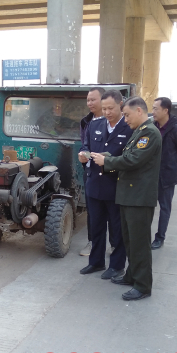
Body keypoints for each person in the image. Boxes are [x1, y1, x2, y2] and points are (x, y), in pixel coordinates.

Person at [91, 96, 161, 301]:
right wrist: (104, 157)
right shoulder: (139, 131)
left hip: (139, 198)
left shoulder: (149, 133)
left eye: (128, 115)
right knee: (130, 241)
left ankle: (143, 285)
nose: (126, 119)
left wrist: (107, 161)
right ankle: (132, 275)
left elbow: (132, 160)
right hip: (129, 196)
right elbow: (126, 155)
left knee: (140, 243)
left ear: (139, 111)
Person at [79, 90, 132, 280]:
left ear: (120, 105)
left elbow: (130, 158)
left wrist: (108, 162)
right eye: (104, 109)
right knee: (96, 226)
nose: (107, 112)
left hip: (117, 186)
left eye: (111, 108)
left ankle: (117, 266)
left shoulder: (129, 127)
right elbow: (86, 146)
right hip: (95, 184)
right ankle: (96, 261)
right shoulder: (95, 124)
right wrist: (83, 154)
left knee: (117, 229)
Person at [150, 97, 177, 249]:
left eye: (155, 109)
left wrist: (173, 167)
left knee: (164, 207)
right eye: (152, 108)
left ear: (165, 110)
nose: (153, 112)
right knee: (148, 206)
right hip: (151, 175)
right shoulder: (152, 127)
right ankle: (144, 235)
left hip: (167, 177)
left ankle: (160, 237)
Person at [79, 87, 104, 257]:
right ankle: (92, 242)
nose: (90, 103)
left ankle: (114, 244)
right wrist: (83, 154)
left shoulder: (114, 121)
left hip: (110, 170)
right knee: (92, 209)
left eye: (93, 99)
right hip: (90, 171)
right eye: (88, 100)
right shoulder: (86, 122)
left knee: (112, 210)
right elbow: (84, 144)